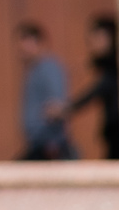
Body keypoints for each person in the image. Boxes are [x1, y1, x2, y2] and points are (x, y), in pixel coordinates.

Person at [61, 15, 119, 159]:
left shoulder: (112, 69)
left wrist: (67, 108)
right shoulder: (105, 65)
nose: (93, 44)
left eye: (98, 38)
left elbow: (99, 89)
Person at [16, 21, 76, 159]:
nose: (20, 49)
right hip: (38, 143)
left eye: (24, 43)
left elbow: (57, 107)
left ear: (36, 42)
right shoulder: (34, 69)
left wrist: (53, 142)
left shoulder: (48, 67)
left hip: (49, 145)